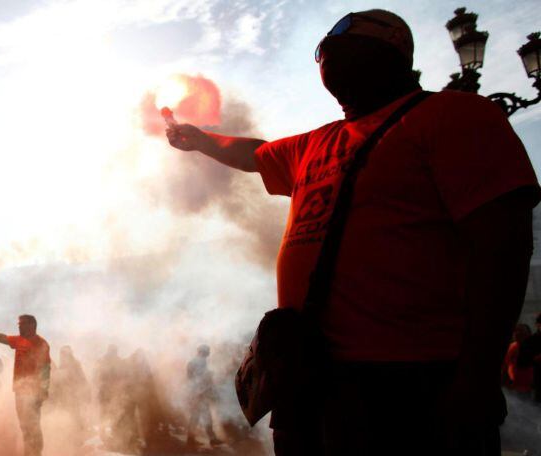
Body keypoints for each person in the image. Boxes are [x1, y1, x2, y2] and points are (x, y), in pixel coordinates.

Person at [165, 9, 538, 455]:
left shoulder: (455, 115)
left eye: (340, 45)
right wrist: (201, 139)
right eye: (324, 50)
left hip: (410, 379)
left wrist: (476, 375)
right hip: (310, 378)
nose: (327, 55)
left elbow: (504, 245)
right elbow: (256, 153)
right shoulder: (315, 143)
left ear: (391, 52)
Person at [0, 314, 51, 456]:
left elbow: (46, 369)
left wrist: (43, 391)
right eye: (18, 324)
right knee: (24, 425)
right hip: (19, 391)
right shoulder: (19, 340)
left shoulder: (41, 344)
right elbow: (3, 338)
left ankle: (36, 453)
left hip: (34, 392)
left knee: (33, 425)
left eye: (21, 324)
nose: (18, 327)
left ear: (31, 325)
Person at [185, 345, 221, 448]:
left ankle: (194, 439)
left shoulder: (193, 362)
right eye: (207, 352)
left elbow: (191, 379)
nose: (208, 354)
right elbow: (199, 379)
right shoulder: (200, 362)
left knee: (199, 417)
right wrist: (209, 377)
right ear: (203, 352)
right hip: (199, 394)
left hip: (196, 393)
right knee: (201, 417)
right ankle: (196, 439)